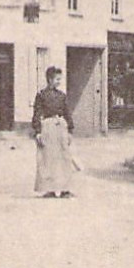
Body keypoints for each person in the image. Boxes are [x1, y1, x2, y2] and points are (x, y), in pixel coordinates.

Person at [31, 66, 76, 198]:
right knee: (47, 158)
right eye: (56, 79)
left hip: (60, 128)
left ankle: (65, 189)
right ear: (49, 79)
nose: (58, 82)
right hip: (47, 128)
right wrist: (37, 131)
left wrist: (70, 131)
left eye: (59, 79)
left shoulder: (62, 96)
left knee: (64, 158)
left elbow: (67, 113)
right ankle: (49, 189)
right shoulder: (41, 95)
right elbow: (37, 113)